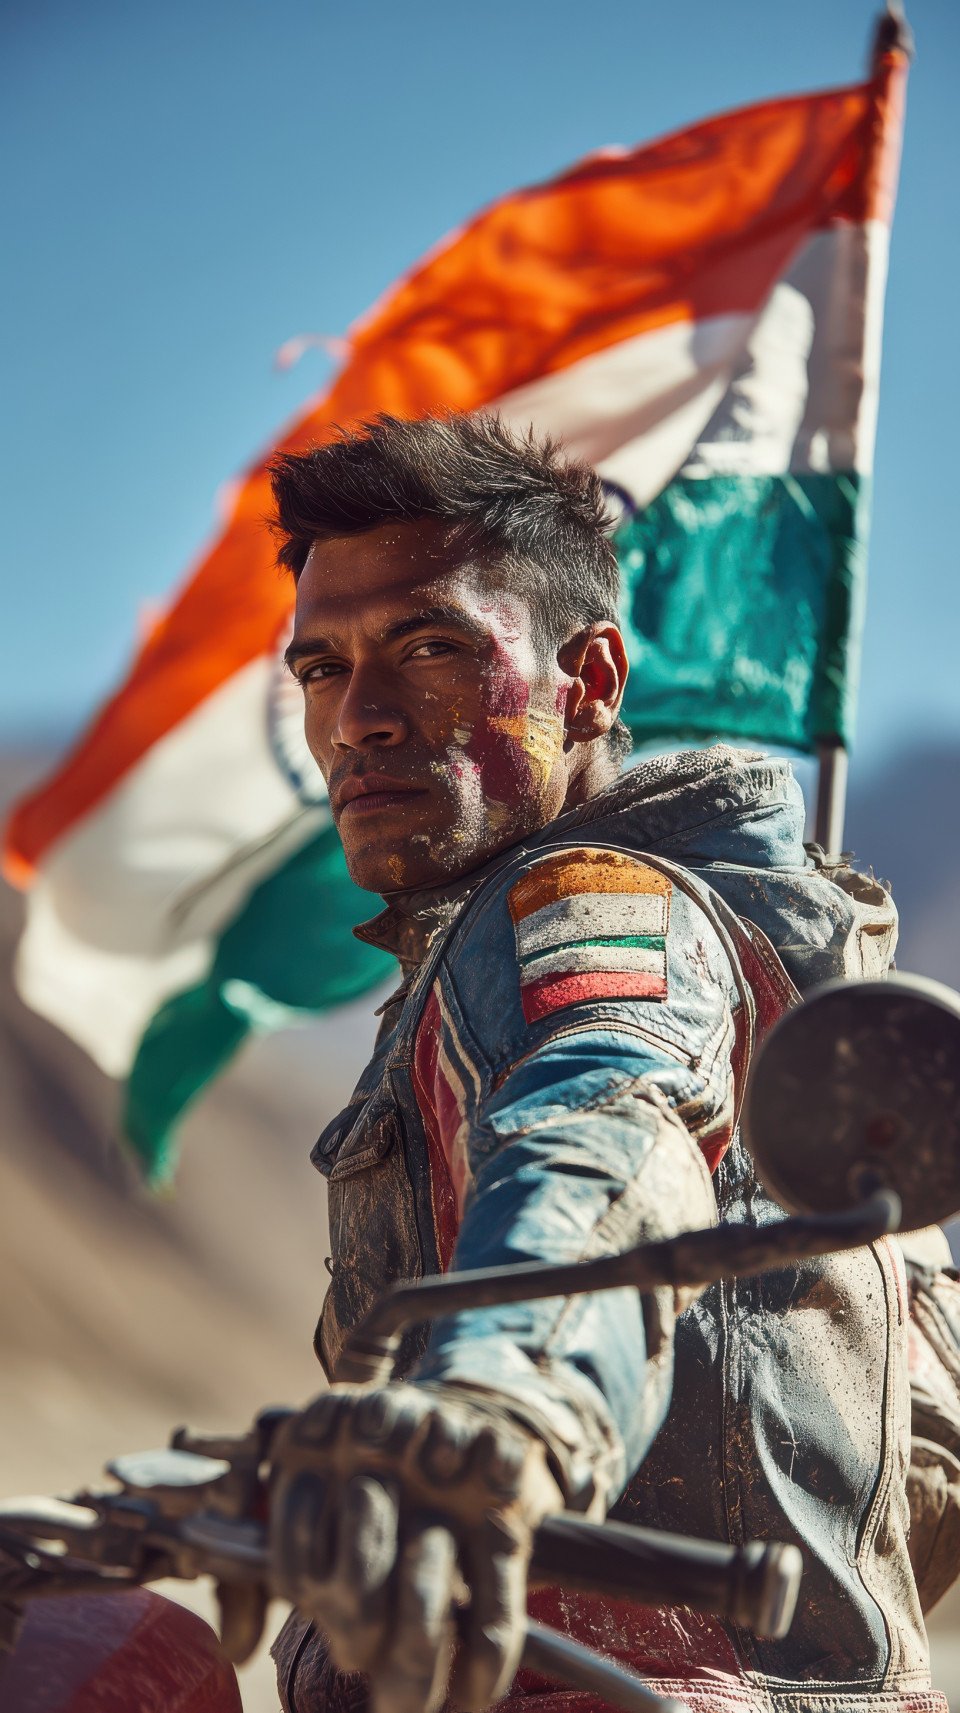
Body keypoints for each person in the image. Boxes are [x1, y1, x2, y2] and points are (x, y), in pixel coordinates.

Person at [265, 413, 940, 1713]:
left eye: (430, 648)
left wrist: (499, 1407)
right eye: (322, 668)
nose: (360, 718)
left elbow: (605, 1127)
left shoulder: (593, 911)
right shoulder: (495, 961)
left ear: (590, 682)